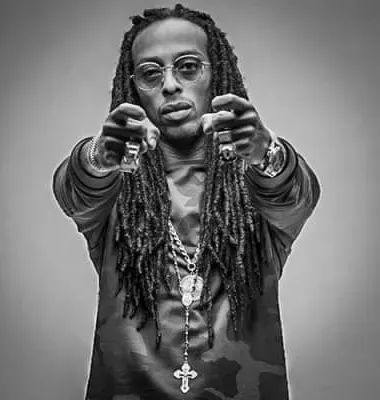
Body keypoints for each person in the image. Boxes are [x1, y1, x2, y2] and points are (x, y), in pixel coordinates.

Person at [53, 4, 320, 400]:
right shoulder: (115, 189)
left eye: (188, 67)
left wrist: (268, 153)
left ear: (217, 74)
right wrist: (97, 155)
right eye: (151, 73)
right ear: (134, 89)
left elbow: (296, 192)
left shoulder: (258, 186)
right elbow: (73, 187)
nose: (170, 85)